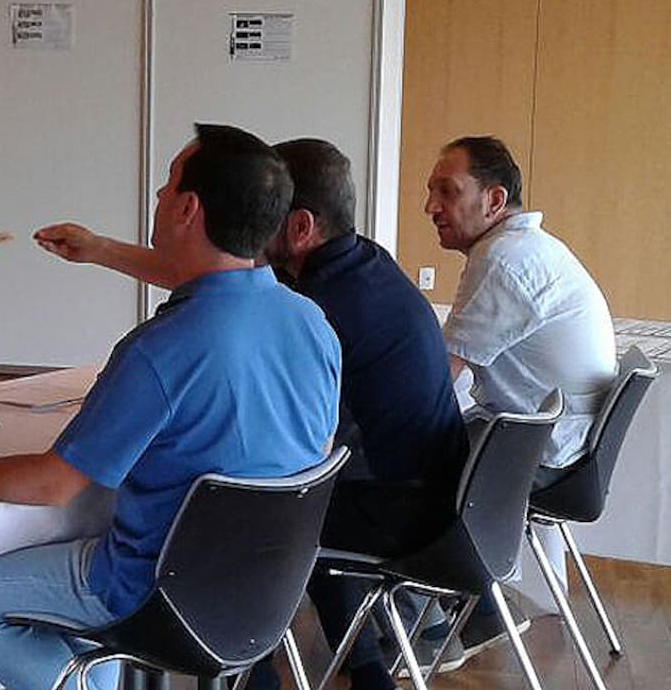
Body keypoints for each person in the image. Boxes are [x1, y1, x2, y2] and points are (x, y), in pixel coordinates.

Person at [0, 124, 341, 690]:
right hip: (265, 592)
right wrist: (100, 249)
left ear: (188, 209)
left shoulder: (163, 350)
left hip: (155, 587)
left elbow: (53, 484)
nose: (158, 198)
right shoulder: (311, 321)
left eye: (167, 186)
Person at [38, 139, 468, 690]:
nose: (246, 222)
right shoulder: (363, 265)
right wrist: (100, 249)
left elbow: (221, 288)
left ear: (300, 226)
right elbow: (218, 281)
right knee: (279, 490)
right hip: (432, 491)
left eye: (265, 207)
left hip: (401, 507)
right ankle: (356, 672)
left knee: (252, 509)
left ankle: (256, 673)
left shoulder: (325, 306)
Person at [424, 134, 616, 658]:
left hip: (542, 453)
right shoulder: (523, 249)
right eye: (430, 192)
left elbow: (441, 377)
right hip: (563, 444)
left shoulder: (503, 262)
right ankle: (471, 608)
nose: (430, 207)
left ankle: (440, 624)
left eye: (447, 191)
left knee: (397, 462)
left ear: (493, 200)